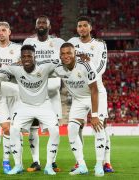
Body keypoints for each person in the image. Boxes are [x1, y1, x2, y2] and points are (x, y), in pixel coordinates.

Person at [0, 45, 60, 175]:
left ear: (35, 57)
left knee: (55, 130)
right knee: (14, 129)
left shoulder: (45, 66)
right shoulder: (15, 68)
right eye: (23, 57)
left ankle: (49, 166)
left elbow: (63, 59)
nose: (26, 59)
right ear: (20, 58)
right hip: (24, 105)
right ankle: (18, 165)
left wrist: (80, 58)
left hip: (44, 104)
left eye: (29, 56)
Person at [68, 16, 112, 173]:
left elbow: (102, 66)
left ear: (90, 28)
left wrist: (89, 71)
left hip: (96, 89)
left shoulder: (100, 44)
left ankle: (106, 162)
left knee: (101, 125)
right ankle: (79, 163)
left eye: (85, 25)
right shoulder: (72, 43)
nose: (82, 28)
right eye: (79, 26)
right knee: (75, 126)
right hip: (79, 92)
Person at [54, 42, 106, 177]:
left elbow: (94, 90)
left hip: (95, 95)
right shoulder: (58, 68)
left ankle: (99, 164)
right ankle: (81, 165)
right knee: (71, 129)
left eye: (69, 53)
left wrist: (94, 115)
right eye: (63, 54)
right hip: (78, 99)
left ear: (75, 54)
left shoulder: (86, 65)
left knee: (98, 126)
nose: (66, 56)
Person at [23, 15, 64, 172]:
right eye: (38, 22)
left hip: (52, 86)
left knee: (53, 127)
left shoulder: (58, 42)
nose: (41, 25)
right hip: (33, 88)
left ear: (49, 26)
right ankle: (35, 161)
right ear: (35, 26)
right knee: (33, 126)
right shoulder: (28, 42)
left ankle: (52, 161)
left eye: (44, 23)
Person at [0, 21, 21, 173]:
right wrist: (7, 69)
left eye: (3, 30)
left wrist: (2, 68)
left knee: (9, 127)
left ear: (9, 32)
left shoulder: (17, 49)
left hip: (13, 91)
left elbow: (18, 70)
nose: (1, 33)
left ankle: (6, 160)